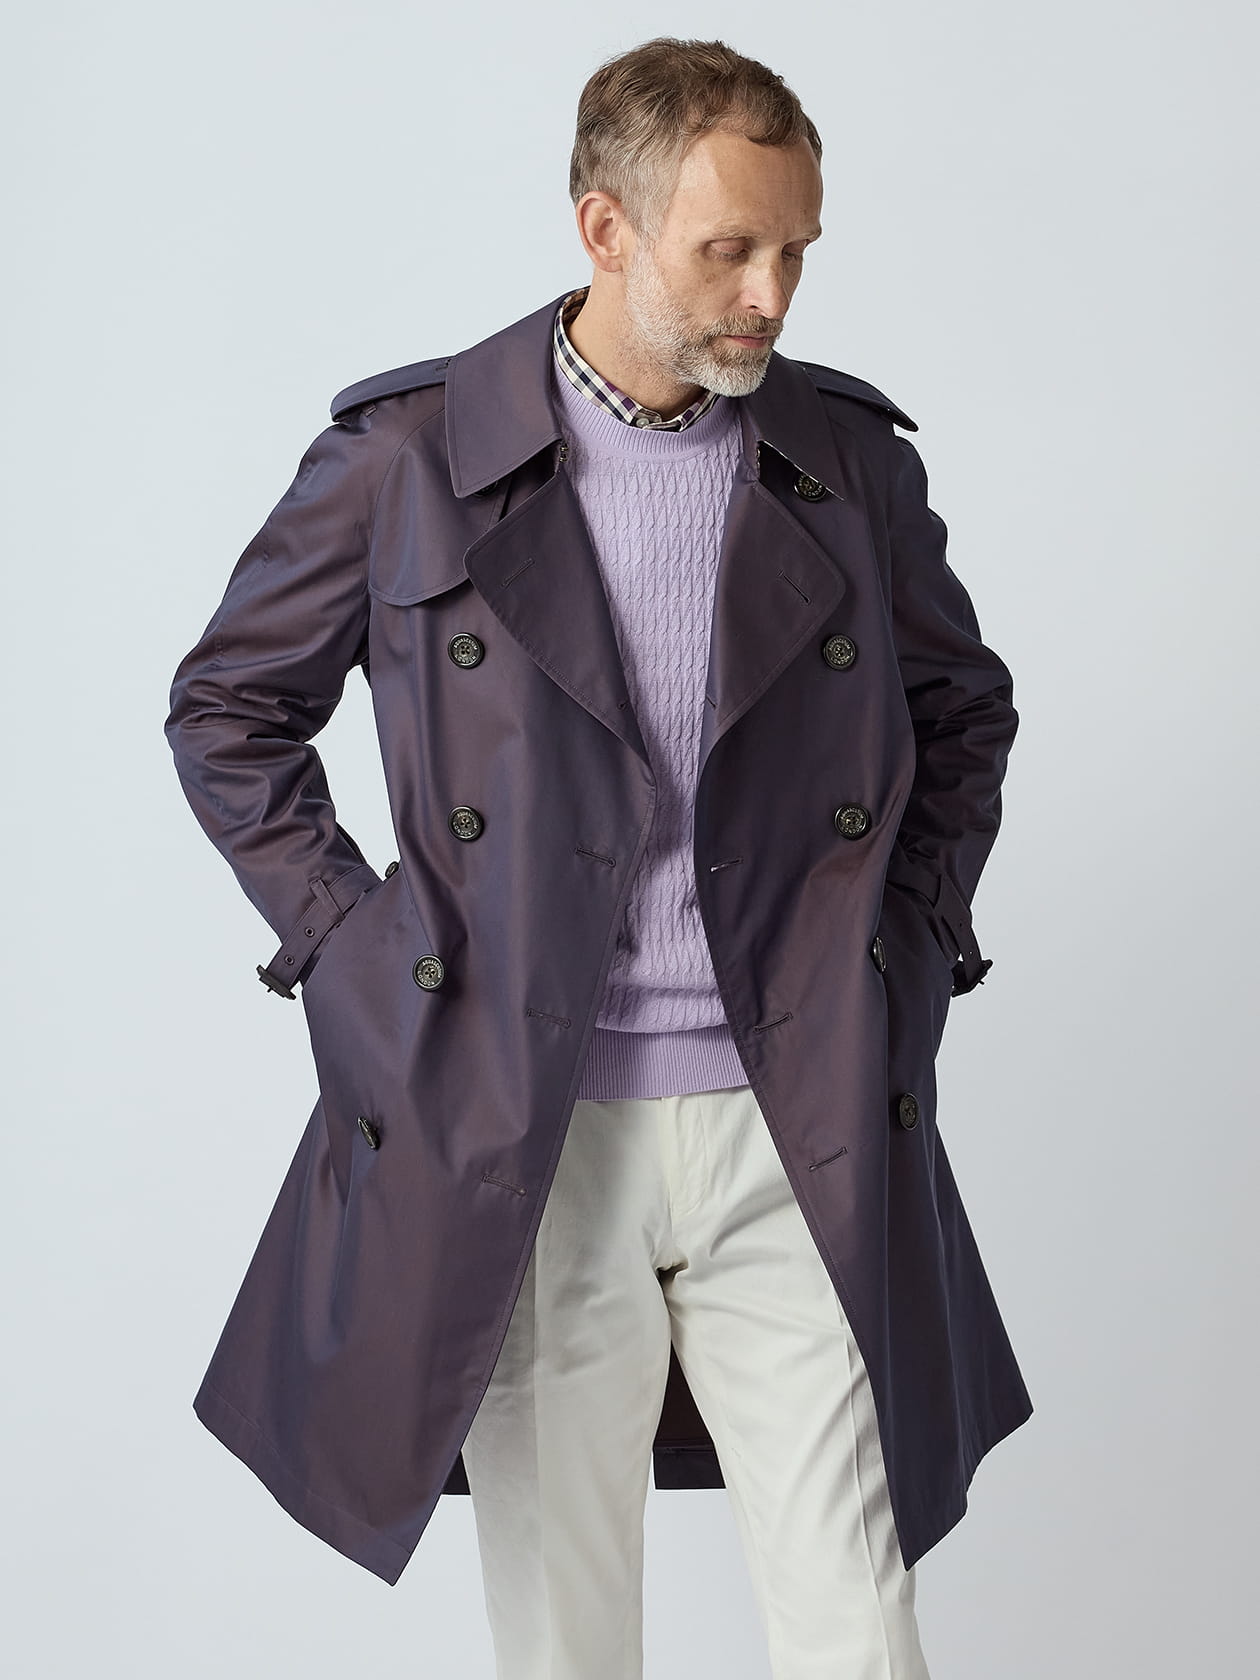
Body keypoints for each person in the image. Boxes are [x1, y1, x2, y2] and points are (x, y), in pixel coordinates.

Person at [166, 34, 1032, 1680]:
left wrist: (905, 947)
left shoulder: (847, 460)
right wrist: (358, 946)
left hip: (795, 1116)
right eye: (730, 249)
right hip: (528, 1127)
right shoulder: (409, 456)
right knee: (567, 1636)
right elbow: (229, 708)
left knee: (860, 1624)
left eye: (797, 252)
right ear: (604, 228)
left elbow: (962, 713)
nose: (771, 296)